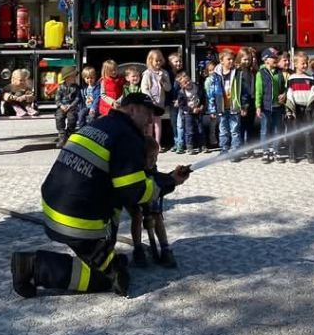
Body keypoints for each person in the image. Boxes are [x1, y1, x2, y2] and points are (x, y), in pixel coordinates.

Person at [10, 93, 191, 298]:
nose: (151, 120)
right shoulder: (127, 137)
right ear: (132, 109)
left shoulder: (100, 125)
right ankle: (32, 267)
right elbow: (135, 192)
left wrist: (167, 178)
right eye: (148, 113)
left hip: (55, 207)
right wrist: (170, 182)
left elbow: (129, 177)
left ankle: (104, 257)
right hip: (77, 222)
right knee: (107, 279)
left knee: (111, 246)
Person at [130, 136, 179, 268]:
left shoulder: (152, 166)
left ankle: (165, 248)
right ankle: (138, 249)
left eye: (156, 157)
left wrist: (171, 177)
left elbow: (158, 179)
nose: (154, 160)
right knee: (137, 215)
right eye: (150, 157)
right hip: (135, 195)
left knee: (157, 214)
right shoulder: (133, 167)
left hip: (150, 193)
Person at [285, 51, 314, 164]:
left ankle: (310, 154)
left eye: (306, 63)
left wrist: (310, 105)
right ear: (295, 64)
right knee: (294, 132)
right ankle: (292, 154)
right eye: (302, 63)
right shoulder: (291, 78)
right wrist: (290, 109)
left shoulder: (310, 78)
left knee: (308, 132)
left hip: (307, 109)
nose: (305, 65)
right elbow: (289, 94)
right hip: (296, 108)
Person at [255, 47, 286, 164]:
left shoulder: (279, 72)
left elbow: (284, 87)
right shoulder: (260, 73)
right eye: (273, 57)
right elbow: (258, 91)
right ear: (266, 60)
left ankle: (276, 151)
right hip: (266, 107)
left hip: (278, 106)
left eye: (276, 57)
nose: (276, 59)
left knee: (277, 129)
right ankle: (265, 151)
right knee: (265, 130)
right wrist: (258, 106)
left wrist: (284, 94)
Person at [140, 49, 171, 149]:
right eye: (156, 61)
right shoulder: (147, 74)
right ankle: (150, 143)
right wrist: (150, 99)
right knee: (149, 123)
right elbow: (144, 88)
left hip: (159, 103)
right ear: (150, 61)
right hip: (150, 103)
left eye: (160, 60)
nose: (158, 63)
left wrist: (163, 82)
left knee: (158, 123)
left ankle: (157, 143)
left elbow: (168, 88)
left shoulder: (164, 73)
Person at [173, 70, 206, 154]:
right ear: (181, 85)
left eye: (188, 80)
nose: (188, 83)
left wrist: (202, 106)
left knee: (200, 129)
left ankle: (202, 145)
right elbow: (182, 105)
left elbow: (203, 98)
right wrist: (191, 110)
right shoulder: (181, 93)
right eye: (185, 82)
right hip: (188, 113)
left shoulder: (197, 87)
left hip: (198, 111)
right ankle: (189, 147)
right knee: (189, 130)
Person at [54, 66, 82, 146]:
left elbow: (77, 98)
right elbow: (57, 99)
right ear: (66, 78)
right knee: (59, 117)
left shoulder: (76, 87)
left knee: (72, 118)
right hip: (62, 106)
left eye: (75, 76)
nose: (75, 78)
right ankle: (62, 135)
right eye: (73, 76)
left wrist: (71, 105)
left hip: (72, 106)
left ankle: (69, 133)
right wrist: (61, 105)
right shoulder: (60, 87)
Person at [235, 48, 257, 152]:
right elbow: (242, 90)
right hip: (243, 104)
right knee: (241, 127)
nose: (247, 62)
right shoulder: (239, 73)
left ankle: (249, 148)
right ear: (239, 59)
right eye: (245, 59)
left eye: (249, 59)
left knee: (250, 126)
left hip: (251, 102)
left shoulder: (251, 71)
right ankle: (240, 148)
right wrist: (243, 105)